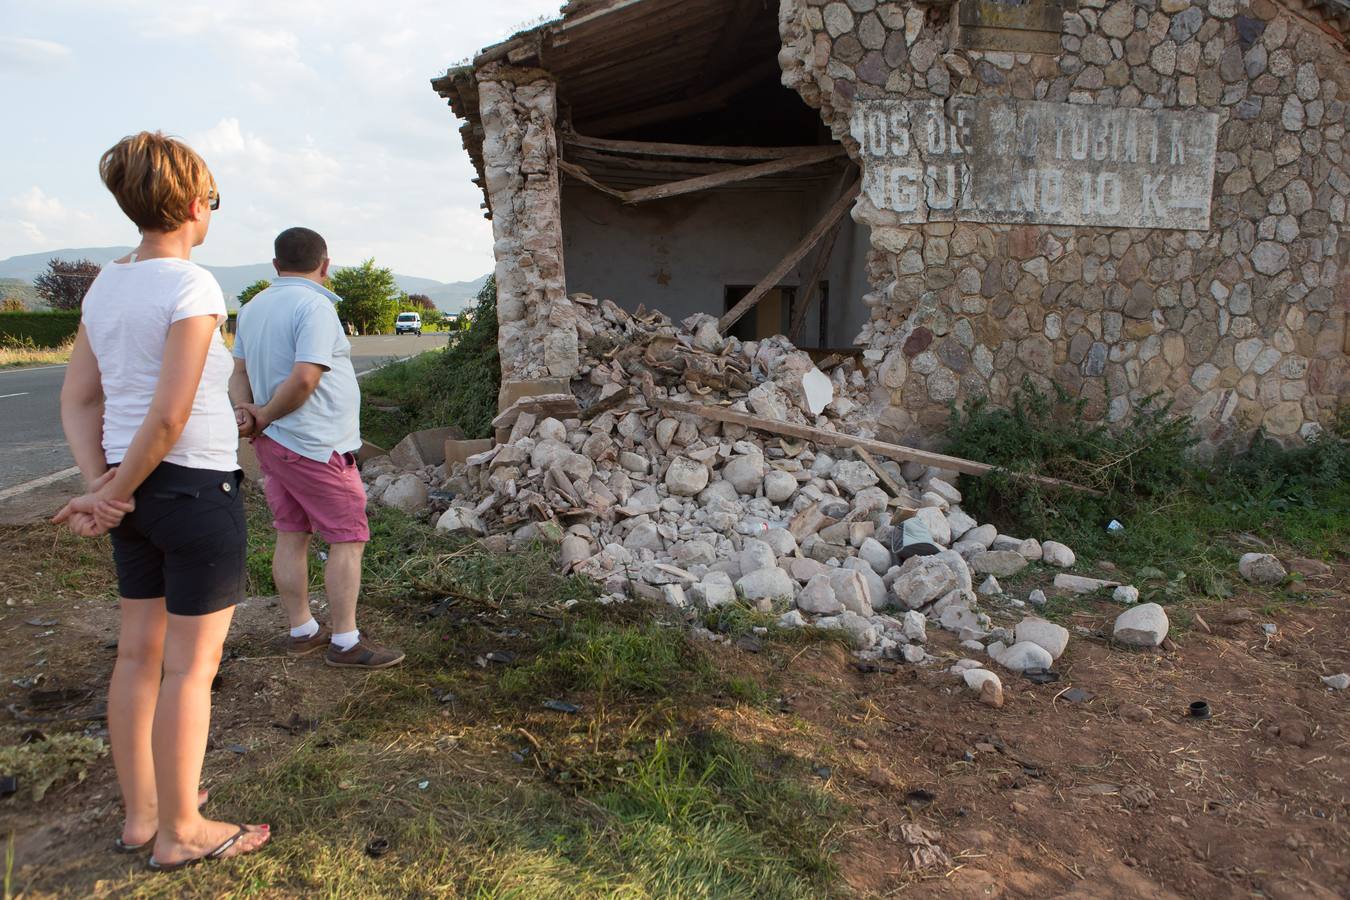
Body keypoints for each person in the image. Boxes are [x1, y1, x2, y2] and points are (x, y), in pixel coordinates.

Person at [55, 131, 270, 870]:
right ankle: (184, 829)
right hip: (193, 489)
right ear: (190, 204)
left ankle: (142, 815)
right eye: (212, 200)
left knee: (136, 655)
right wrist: (110, 491)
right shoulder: (194, 285)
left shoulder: (106, 285)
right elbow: (171, 415)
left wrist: (103, 489)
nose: (211, 212)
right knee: (189, 668)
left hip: (131, 493)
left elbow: (79, 400)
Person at [230, 228, 403, 669]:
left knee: (292, 533)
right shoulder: (315, 307)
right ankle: (345, 642)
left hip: (274, 444)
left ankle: (302, 630)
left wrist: (246, 413)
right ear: (325, 265)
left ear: (275, 266)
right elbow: (306, 377)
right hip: (316, 444)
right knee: (348, 537)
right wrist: (264, 414)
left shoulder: (251, 308)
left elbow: (239, 374)